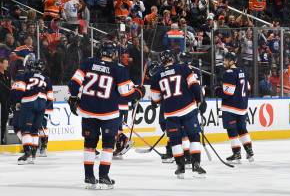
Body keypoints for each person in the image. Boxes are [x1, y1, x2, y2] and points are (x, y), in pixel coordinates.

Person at [68, 41, 144, 188]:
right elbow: (126, 94)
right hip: (108, 113)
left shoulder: (88, 62)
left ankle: (89, 176)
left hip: (88, 110)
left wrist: (73, 97)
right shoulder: (119, 69)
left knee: (89, 144)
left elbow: (73, 83)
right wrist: (139, 92)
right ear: (114, 54)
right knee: (108, 145)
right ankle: (103, 176)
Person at [150, 50, 205, 178]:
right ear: (173, 58)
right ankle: (196, 165)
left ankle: (180, 167)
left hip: (170, 113)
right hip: (188, 108)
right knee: (194, 136)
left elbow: (156, 99)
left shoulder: (157, 75)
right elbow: (195, 86)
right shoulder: (183, 68)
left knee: (175, 140)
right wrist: (200, 101)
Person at [10, 55, 53, 165]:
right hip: (42, 103)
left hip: (29, 102)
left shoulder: (26, 75)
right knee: (35, 130)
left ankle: (27, 153)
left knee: (26, 129)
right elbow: (50, 98)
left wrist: (17, 101)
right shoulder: (47, 79)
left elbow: (19, 90)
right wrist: (43, 106)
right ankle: (33, 156)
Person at [219, 51, 253, 164]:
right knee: (242, 129)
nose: (224, 61)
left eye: (225, 60)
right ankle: (249, 151)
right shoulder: (243, 71)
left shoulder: (228, 73)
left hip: (231, 107)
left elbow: (228, 92)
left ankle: (236, 153)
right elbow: (248, 88)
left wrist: (217, 90)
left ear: (232, 61)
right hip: (242, 107)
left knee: (232, 130)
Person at [0, 57, 11, 144]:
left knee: (4, 120)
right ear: (1, 64)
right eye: (5, 63)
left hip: (6, 102)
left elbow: (9, 87)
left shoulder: (8, 73)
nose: (7, 65)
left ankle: (2, 137)